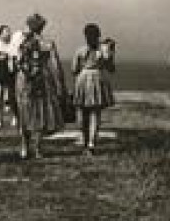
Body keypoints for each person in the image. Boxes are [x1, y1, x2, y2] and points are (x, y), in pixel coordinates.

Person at [13, 14, 66, 160]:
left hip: (24, 79)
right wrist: (60, 85)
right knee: (40, 113)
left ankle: (24, 146)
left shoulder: (22, 42)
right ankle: (37, 148)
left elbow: (16, 62)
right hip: (44, 79)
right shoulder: (48, 43)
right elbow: (55, 66)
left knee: (24, 112)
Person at [71, 23, 117, 154]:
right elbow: (111, 68)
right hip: (98, 78)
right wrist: (111, 52)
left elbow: (74, 70)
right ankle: (91, 143)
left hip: (83, 79)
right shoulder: (104, 50)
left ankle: (85, 141)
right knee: (95, 113)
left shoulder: (80, 50)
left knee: (82, 113)